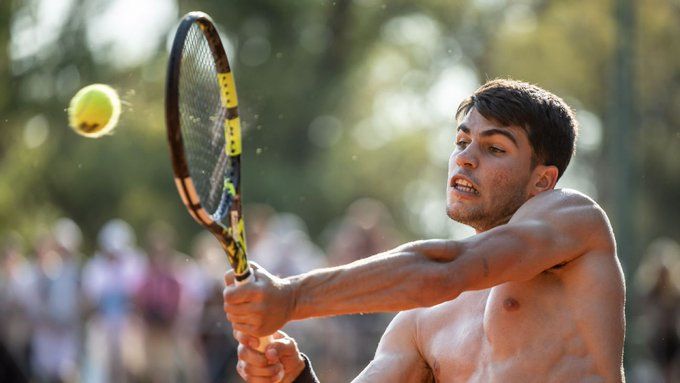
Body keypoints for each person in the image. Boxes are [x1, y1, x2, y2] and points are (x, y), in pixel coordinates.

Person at [223, 79, 626, 382]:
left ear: (542, 181)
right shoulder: (423, 319)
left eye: (495, 148)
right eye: (462, 141)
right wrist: (292, 375)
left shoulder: (575, 218)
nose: (466, 158)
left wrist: (290, 296)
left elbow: (445, 270)